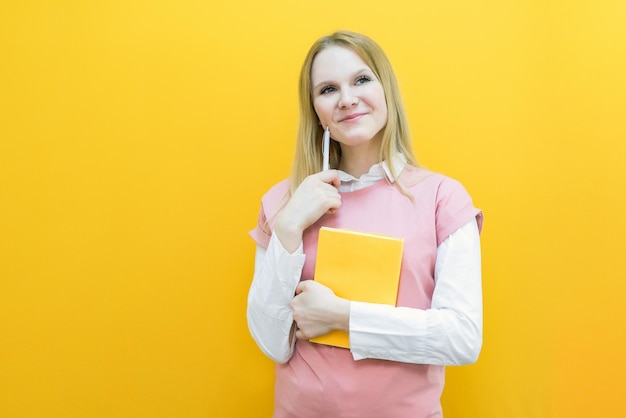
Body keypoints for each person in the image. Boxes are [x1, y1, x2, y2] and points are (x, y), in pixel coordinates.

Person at [247, 30, 483, 418]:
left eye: (361, 79)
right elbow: (273, 343)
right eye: (327, 89)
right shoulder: (282, 203)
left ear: (385, 87)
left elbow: (461, 338)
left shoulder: (443, 198)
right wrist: (288, 229)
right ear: (315, 109)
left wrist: (342, 315)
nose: (347, 99)